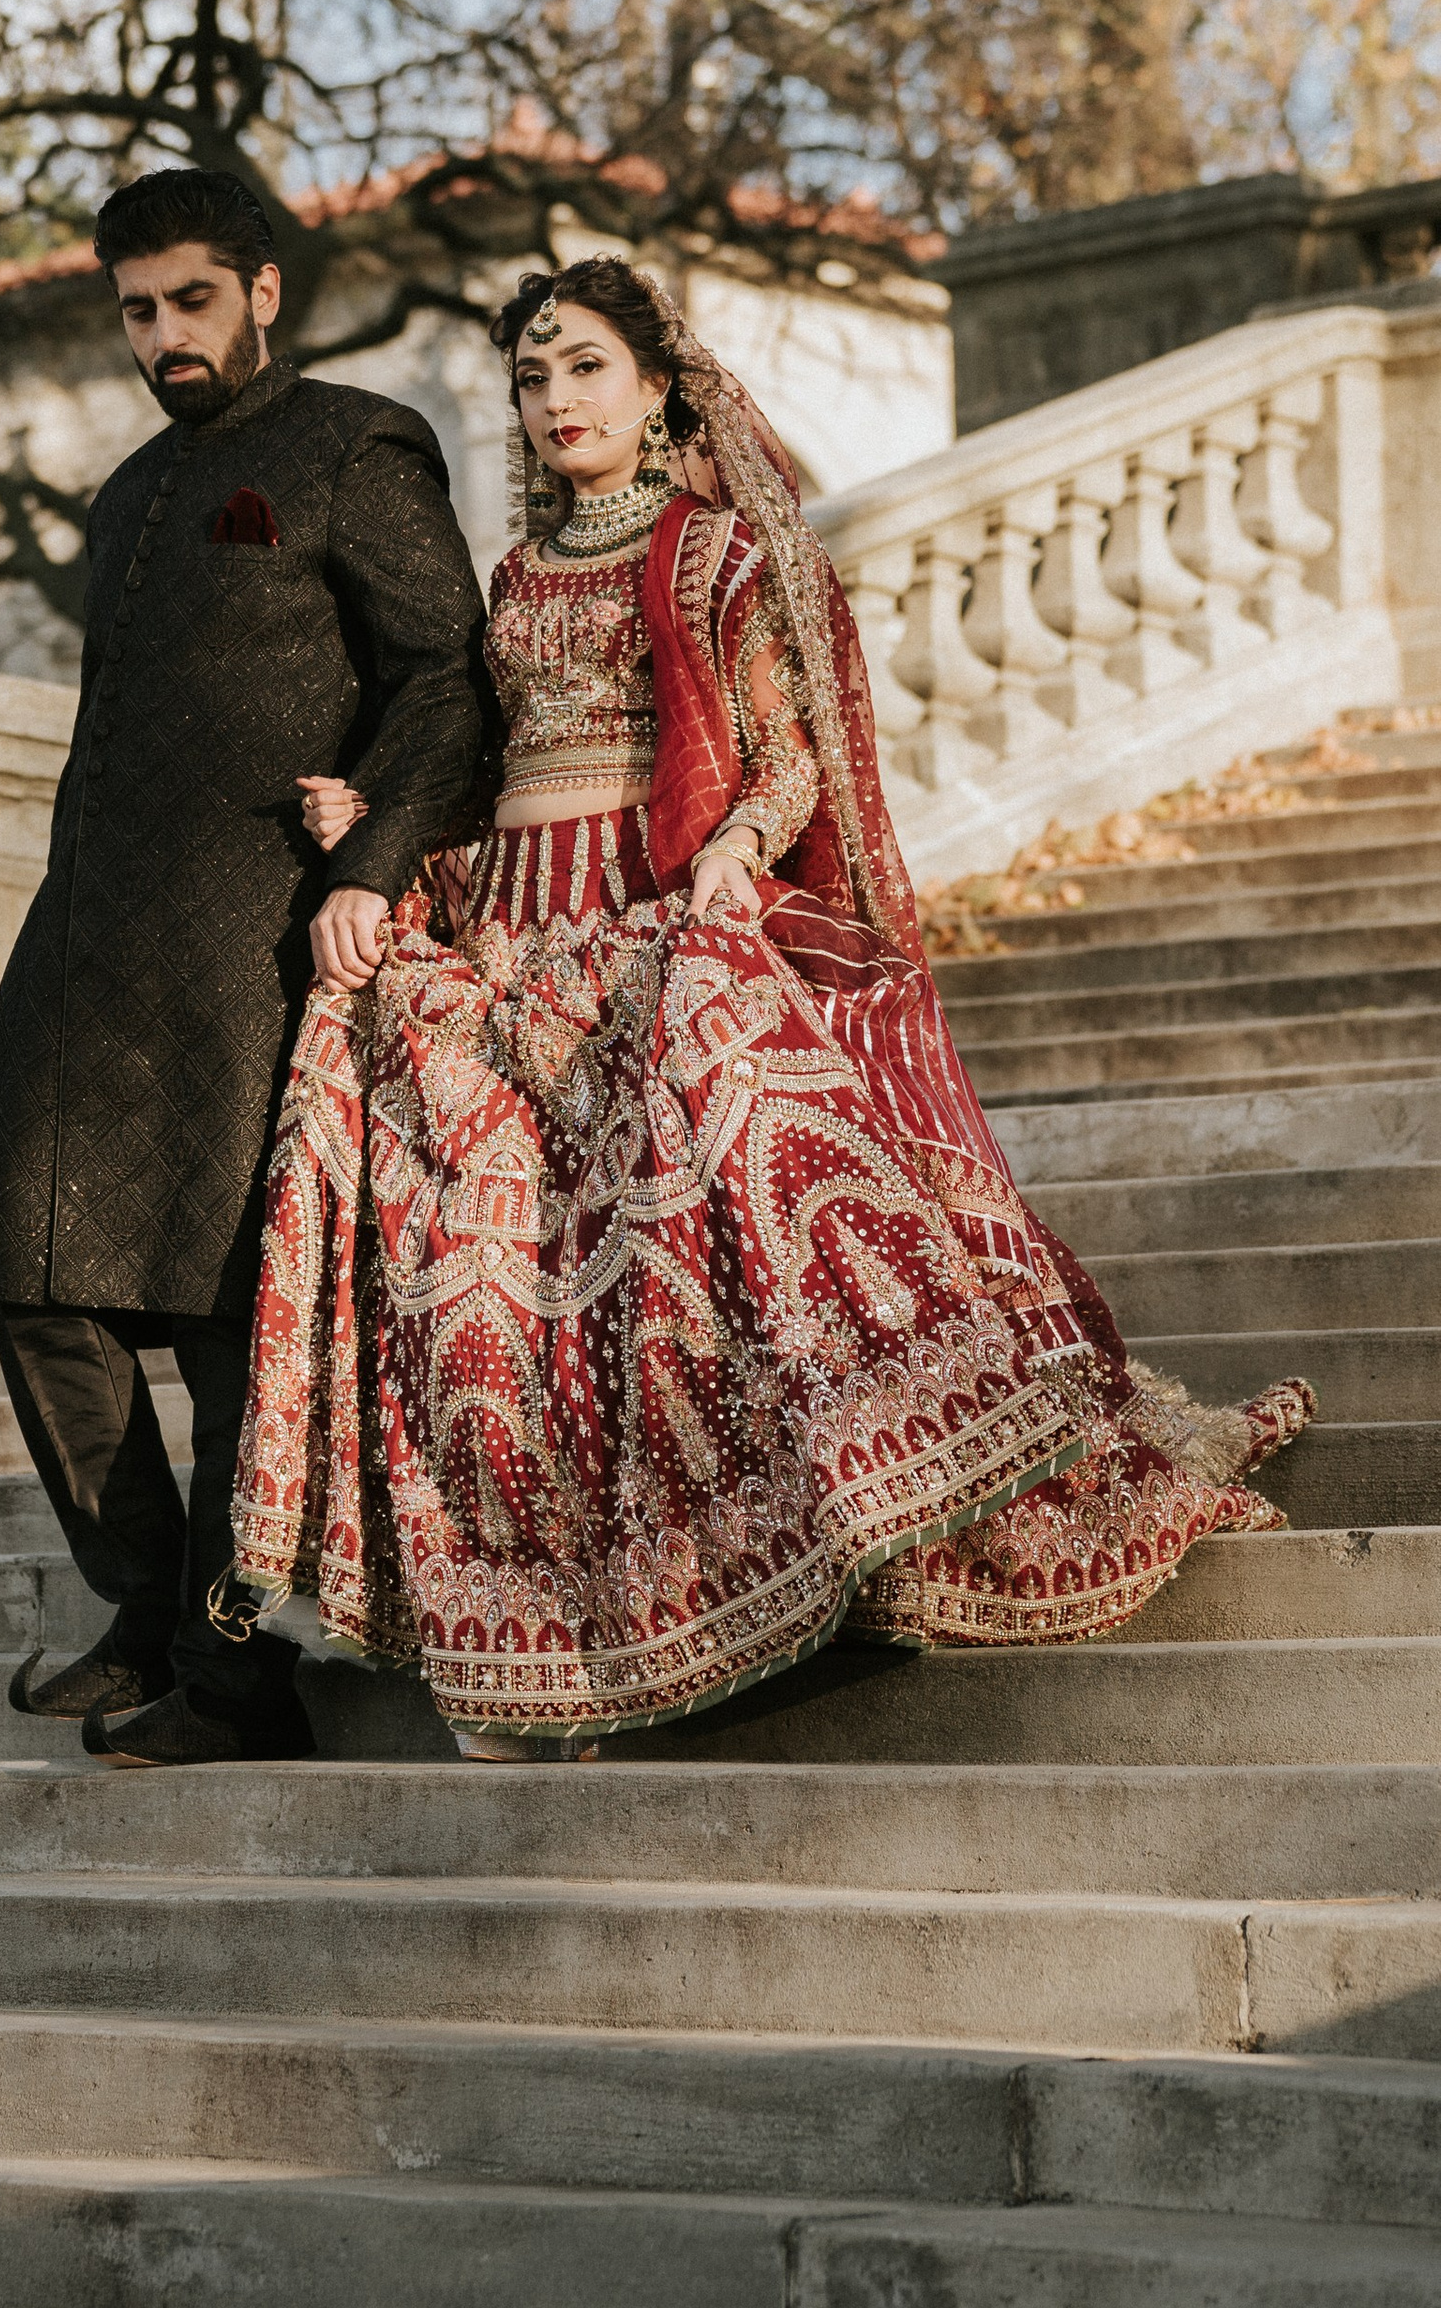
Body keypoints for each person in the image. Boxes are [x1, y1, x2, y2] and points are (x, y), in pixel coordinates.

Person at [230, 253, 1313, 1754]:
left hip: (660, 913)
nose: (555, 400)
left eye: (586, 368)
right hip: (514, 930)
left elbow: (787, 756)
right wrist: (390, 820)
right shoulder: (518, 580)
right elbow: (495, 777)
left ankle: (787, 1552)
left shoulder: (717, 554)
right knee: (465, 1237)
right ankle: (537, 1628)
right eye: (533, 378)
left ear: (660, 383)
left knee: (694, 1207)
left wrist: (735, 853)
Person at [0, 167, 488, 1765]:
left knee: (230, 1319)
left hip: (260, 933)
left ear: (264, 291)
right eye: (139, 311)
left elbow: (444, 681)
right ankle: (142, 1606)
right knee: (21, 1268)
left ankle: (233, 1685)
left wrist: (364, 870)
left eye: (191, 302)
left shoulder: (354, 444)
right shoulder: (126, 494)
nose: (165, 336)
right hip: (88, 943)